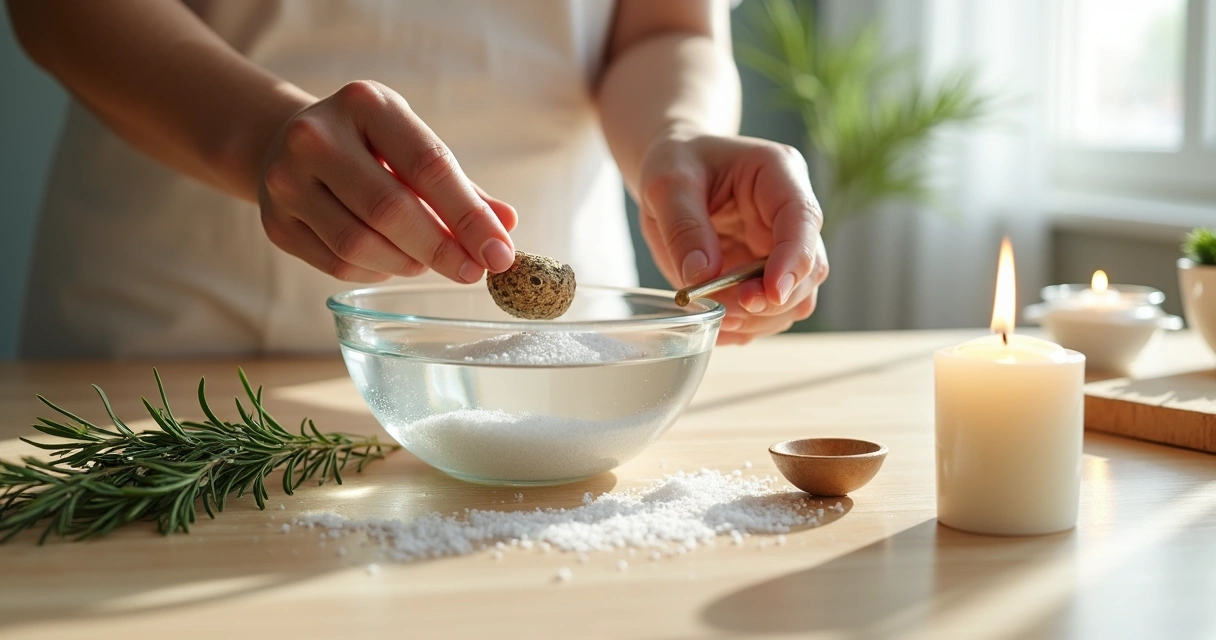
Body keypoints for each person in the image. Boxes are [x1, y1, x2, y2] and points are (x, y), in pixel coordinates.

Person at [9, 0, 828, 358]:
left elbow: (665, 27)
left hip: (547, 356)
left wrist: (677, 135)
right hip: (173, 321)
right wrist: (259, 137)